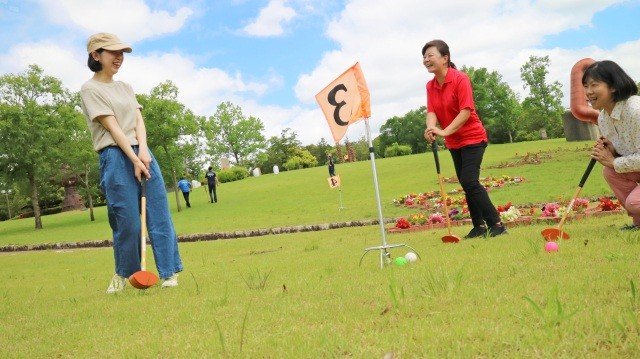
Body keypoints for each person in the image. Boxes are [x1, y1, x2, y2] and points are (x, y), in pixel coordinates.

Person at [80, 33, 183, 293]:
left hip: (143, 154)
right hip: (115, 157)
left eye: (122, 53)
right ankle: (124, 273)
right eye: (113, 52)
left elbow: (138, 121)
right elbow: (113, 128)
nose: (119, 57)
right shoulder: (90, 89)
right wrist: (134, 158)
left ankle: (169, 273)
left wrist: (144, 152)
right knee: (126, 221)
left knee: (159, 214)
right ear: (96, 55)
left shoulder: (125, 86)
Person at [421, 39, 506, 238]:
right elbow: (431, 111)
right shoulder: (430, 85)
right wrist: (431, 128)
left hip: (473, 137)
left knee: (469, 180)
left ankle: (497, 224)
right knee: (465, 182)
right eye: (424, 57)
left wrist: (444, 131)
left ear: (445, 58)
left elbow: (466, 111)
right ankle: (479, 227)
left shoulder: (460, 79)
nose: (426, 60)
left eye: (430, 55)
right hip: (454, 142)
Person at [586, 60, 640, 230]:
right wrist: (612, 151)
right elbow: (628, 151)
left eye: (594, 85)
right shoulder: (603, 118)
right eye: (586, 86)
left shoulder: (635, 111)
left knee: (634, 203)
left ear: (613, 87)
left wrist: (612, 161)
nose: (588, 92)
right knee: (610, 172)